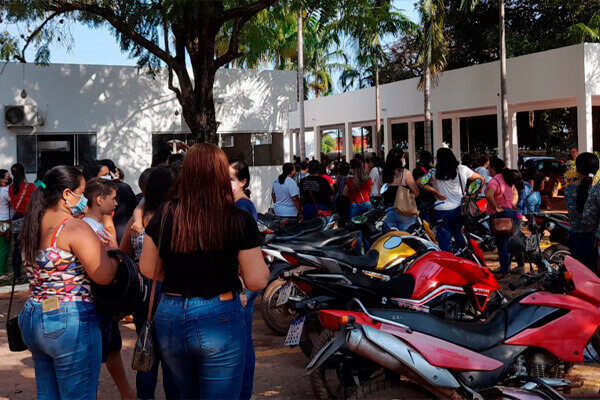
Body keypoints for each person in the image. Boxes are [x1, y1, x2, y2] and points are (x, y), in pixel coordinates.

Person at [139, 143, 269, 399]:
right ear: (221, 175)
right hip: (219, 314)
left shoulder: (164, 214)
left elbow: (148, 269)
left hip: (171, 313)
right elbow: (256, 280)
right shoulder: (238, 219)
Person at [18, 166, 118, 399]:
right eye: (81, 193)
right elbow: (103, 275)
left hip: (35, 315)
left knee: (48, 395)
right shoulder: (73, 227)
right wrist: (114, 254)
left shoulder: (32, 225)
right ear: (66, 194)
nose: (84, 199)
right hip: (69, 319)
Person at [121, 166, 176, 400]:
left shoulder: (139, 220)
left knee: (147, 347)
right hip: (173, 290)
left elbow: (123, 252)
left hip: (145, 292)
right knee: (172, 356)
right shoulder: (176, 216)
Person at [82, 178, 135, 400]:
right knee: (94, 356)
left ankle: (126, 393)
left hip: (100, 301)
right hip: (97, 301)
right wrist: (118, 258)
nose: (116, 203)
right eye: (113, 198)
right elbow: (102, 270)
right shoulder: (89, 229)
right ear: (99, 199)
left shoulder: (88, 225)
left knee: (110, 348)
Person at [230, 160, 259, 400]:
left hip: (242, 283)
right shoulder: (237, 203)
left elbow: (243, 249)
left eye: (231, 179)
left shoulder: (241, 206)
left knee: (243, 342)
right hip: (241, 282)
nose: (226, 183)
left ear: (243, 182)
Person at [423, 148, 484, 252]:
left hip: (441, 209)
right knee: (461, 238)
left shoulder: (434, 172)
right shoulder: (462, 169)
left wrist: (435, 192)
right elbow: (481, 179)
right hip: (459, 209)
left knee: (444, 242)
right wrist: (473, 194)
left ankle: (447, 261)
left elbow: (421, 182)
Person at [565, 153, 600, 273]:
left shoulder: (569, 189)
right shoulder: (596, 190)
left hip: (575, 239)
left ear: (577, 169)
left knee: (578, 274)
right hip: (593, 240)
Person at [486, 158, 520, 278]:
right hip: (511, 213)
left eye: (490, 168)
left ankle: (504, 270)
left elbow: (488, 194)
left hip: (500, 215)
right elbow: (515, 193)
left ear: (494, 169)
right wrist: (513, 204)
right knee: (508, 243)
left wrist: (495, 206)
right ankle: (506, 266)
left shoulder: (494, 181)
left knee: (502, 244)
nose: (488, 170)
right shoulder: (507, 179)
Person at [9, 163, 36, 282]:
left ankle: (17, 274)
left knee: (17, 248)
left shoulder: (10, 188)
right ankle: (33, 273)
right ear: (23, 172)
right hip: (27, 218)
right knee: (31, 246)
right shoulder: (29, 187)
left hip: (16, 218)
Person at [382, 149, 420, 231]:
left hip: (388, 211)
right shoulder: (405, 173)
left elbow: (380, 192)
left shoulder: (384, 173)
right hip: (403, 210)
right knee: (405, 238)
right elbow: (416, 192)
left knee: (391, 239)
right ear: (399, 159)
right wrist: (409, 196)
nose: (404, 159)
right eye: (403, 157)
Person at [412, 151, 434, 220]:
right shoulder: (432, 170)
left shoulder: (416, 171)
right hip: (432, 198)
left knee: (423, 221)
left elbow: (415, 184)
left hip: (420, 199)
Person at [0, 169, 13, 277]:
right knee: (4, 246)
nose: (9, 178)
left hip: (2, 219)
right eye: (7, 177)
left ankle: (4, 269)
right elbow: (12, 202)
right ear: (1, 180)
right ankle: (1, 271)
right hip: (4, 220)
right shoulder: (5, 191)